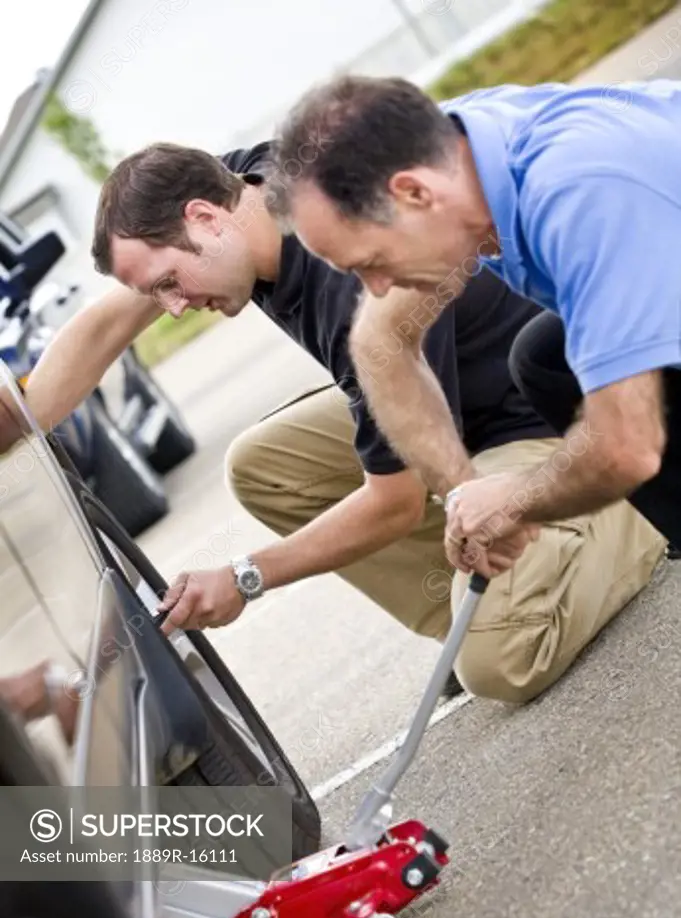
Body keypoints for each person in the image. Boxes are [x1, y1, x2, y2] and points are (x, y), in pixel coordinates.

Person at [11, 140, 666, 705]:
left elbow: (395, 503)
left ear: (203, 219)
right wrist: (21, 418)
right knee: (263, 466)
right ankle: (474, 611)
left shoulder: (351, 287)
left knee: (505, 663)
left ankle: (623, 518)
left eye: (169, 283)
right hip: (454, 408)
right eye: (158, 292)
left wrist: (246, 576)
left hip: (541, 420)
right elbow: (105, 325)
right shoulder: (245, 188)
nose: (172, 309)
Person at [267, 74, 681, 577]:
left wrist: (515, 498)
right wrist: (465, 494)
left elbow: (624, 450)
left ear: (414, 193)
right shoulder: (454, 156)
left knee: (603, 401)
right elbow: (379, 340)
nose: (375, 289)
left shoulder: (578, 193)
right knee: (543, 359)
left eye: (371, 262)